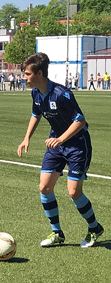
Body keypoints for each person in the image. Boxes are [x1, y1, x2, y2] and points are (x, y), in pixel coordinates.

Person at [17, 53, 104, 248]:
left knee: (74, 192)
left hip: (77, 145)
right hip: (56, 144)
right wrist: (26, 138)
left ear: (39, 73)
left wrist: (60, 139)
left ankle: (94, 228)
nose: (24, 77)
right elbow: (36, 114)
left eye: (27, 74)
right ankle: (57, 233)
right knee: (44, 187)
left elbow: (80, 121)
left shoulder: (62, 93)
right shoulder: (36, 93)